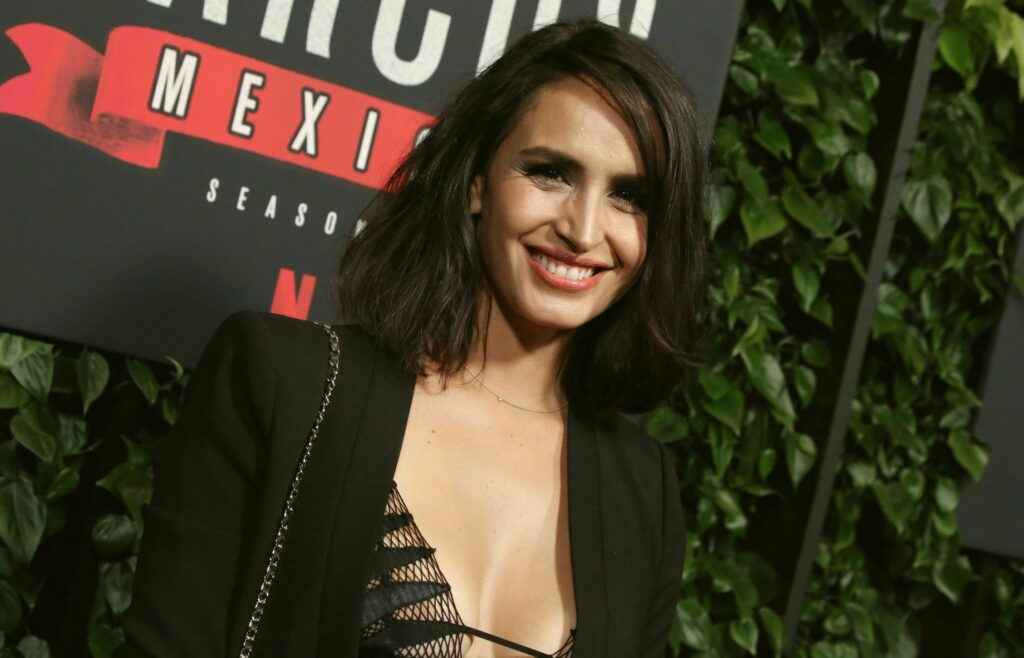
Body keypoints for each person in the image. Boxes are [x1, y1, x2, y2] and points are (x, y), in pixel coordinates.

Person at [116, 18, 707, 658]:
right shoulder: (280, 379)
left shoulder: (641, 491)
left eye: (630, 196)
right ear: (477, 180)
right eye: (550, 173)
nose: (584, 229)